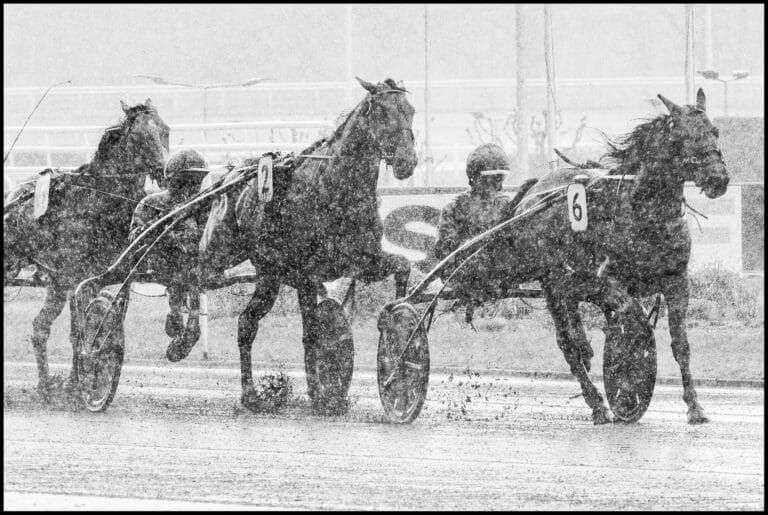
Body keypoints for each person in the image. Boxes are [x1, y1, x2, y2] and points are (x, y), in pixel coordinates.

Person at [129, 149, 210, 362]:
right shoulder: (150, 203)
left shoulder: (205, 204)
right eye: (184, 182)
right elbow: (134, 238)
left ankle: (190, 324)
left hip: (193, 263)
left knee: (193, 267)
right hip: (159, 262)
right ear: (171, 182)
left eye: (195, 183)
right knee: (187, 268)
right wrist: (160, 224)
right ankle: (179, 315)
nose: (190, 189)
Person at [431, 143, 518, 310]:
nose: (492, 184)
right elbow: (443, 249)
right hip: (464, 272)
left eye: (498, 179)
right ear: (473, 177)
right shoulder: (455, 207)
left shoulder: (508, 205)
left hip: (500, 271)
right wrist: (471, 247)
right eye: (487, 179)